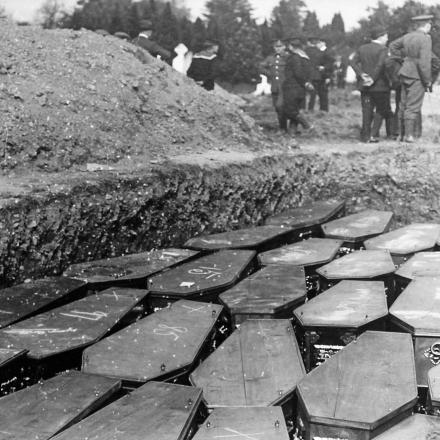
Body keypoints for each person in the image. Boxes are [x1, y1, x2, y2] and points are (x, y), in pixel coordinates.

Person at [389, 14, 433, 143]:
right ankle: (409, 136)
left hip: (405, 73)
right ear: (426, 25)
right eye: (430, 24)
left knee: (403, 105)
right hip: (417, 76)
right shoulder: (425, 39)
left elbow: (392, 46)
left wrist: (404, 59)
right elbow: (424, 63)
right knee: (413, 107)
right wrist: (427, 80)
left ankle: (401, 135)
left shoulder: (408, 36)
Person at [350, 28, 393, 142]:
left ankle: (365, 135)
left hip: (364, 85)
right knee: (381, 109)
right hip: (380, 85)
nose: (387, 39)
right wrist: (372, 79)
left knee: (366, 110)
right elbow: (380, 65)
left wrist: (361, 74)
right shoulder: (383, 49)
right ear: (380, 36)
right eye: (386, 36)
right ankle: (373, 134)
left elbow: (352, 62)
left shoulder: (362, 48)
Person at [282, 34, 314, 134]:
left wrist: (304, 83)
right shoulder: (305, 57)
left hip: (292, 88)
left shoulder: (295, 58)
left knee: (288, 110)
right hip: (300, 88)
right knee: (294, 109)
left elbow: (298, 73)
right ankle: (292, 133)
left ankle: (306, 125)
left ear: (291, 46)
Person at [259, 39, 289, 131]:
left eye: (280, 47)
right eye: (276, 47)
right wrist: (269, 74)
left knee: (281, 107)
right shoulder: (270, 58)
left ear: (284, 47)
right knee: (277, 108)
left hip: (285, 86)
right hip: (275, 87)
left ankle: (285, 128)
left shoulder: (288, 57)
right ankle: (283, 127)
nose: (278, 49)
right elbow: (261, 67)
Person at [305, 35, 333, 111]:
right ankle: (323, 110)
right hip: (319, 75)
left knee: (311, 94)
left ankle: (309, 109)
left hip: (307, 76)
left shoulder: (305, 52)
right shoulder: (321, 52)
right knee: (320, 94)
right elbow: (329, 63)